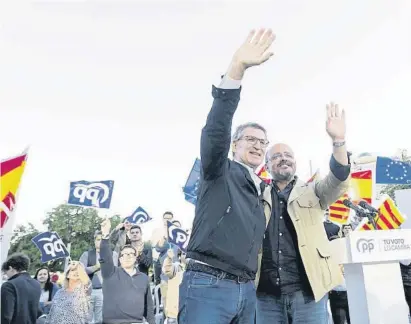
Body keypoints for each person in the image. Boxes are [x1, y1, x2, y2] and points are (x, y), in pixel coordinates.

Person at [179, 28, 275, 324]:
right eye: (250, 139)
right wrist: (236, 71)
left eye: (263, 142)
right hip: (208, 285)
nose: (257, 145)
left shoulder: (263, 191)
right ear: (235, 145)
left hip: (246, 291)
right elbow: (216, 130)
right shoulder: (218, 168)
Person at [255, 102, 351, 324]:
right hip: (266, 298)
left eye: (288, 155)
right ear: (267, 166)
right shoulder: (256, 195)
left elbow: (338, 180)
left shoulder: (314, 191)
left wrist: (338, 142)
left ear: (295, 162)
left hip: (309, 294)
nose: (283, 158)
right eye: (276, 156)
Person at [100, 218, 155, 324]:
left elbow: (149, 308)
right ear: (119, 259)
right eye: (124, 254)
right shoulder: (110, 273)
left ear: (135, 258)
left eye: (131, 254)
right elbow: (105, 255)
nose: (128, 256)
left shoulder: (143, 278)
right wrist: (105, 234)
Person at [79, 230, 118, 324]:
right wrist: (96, 267)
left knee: (100, 319)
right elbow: (80, 270)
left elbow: (114, 271)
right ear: (94, 241)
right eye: (98, 239)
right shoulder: (86, 254)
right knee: (85, 319)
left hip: (104, 291)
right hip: (87, 291)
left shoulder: (113, 254)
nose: (100, 242)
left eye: (102, 240)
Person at [1, 253, 41, 324]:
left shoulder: (9, 285)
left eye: (6, 272)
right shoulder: (37, 284)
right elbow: (37, 311)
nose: (6, 276)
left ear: (10, 268)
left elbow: (6, 316)